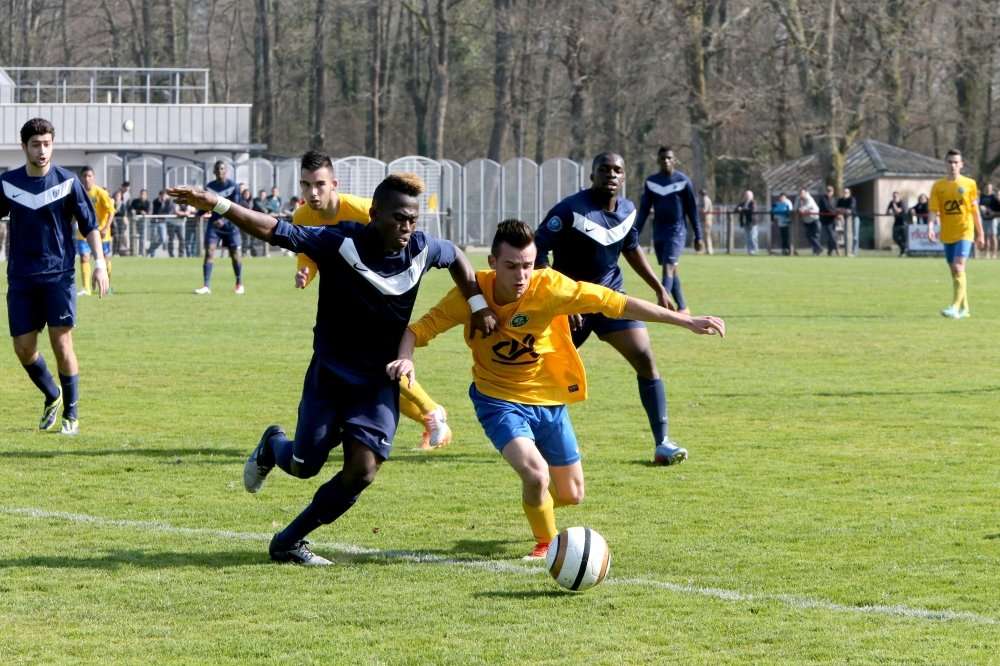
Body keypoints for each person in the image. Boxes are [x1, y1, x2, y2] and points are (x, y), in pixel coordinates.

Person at [167, 173, 497, 565]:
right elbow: (276, 230)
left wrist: (477, 304)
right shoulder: (340, 243)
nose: (406, 227)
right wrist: (218, 204)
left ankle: (288, 542)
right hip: (331, 377)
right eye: (397, 218)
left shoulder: (422, 250)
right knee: (304, 465)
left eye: (412, 219)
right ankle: (272, 445)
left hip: (376, 383)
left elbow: (457, 256)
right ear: (374, 214)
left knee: (363, 470)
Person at [391, 220, 726, 559]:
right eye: (510, 266)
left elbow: (615, 303)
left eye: (527, 266)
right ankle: (546, 546)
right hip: (498, 400)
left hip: (549, 399)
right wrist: (406, 358)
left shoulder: (550, 287)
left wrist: (686, 320)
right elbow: (418, 330)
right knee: (536, 474)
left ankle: (536, 500)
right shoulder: (470, 294)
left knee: (572, 494)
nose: (521, 276)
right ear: (493, 263)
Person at [291, 149, 455, 450]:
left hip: (386, 299)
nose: (312, 193)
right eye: (305, 185)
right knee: (378, 374)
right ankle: (431, 415)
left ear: (334, 184)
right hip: (348, 306)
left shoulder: (361, 209)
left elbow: (401, 233)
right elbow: (309, 252)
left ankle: (432, 412)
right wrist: (305, 272)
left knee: (383, 365)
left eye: (319, 184)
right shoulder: (301, 215)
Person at [535, 152, 688, 466]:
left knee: (645, 358)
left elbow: (630, 248)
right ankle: (524, 434)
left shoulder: (628, 210)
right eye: (604, 169)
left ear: (624, 176)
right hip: (571, 303)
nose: (611, 175)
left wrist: (657, 286)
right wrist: (562, 299)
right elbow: (537, 250)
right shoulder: (569, 210)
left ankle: (663, 442)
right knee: (540, 368)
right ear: (592, 175)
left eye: (617, 170)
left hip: (610, 300)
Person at [0, 117, 109, 436]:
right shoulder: (8, 184)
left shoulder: (68, 182)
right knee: (23, 348)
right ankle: (52, 394)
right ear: (24, 148)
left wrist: (99, 263)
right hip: (21, 277)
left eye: (47, 144)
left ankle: (71, 414)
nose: (42, 150)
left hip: (58, 275)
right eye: (36, 145)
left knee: (61, 343)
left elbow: (89, 225)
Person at [635, 146, 703, 313]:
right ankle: (683, 307)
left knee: (668, 267)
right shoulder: (651, 182)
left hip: (677, 230)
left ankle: (662, 303)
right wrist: (634, 233)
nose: (666, 160)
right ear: (658, 161)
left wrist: (698, 236)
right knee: (672, 268)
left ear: (674, 160)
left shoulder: (683, 181)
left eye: (669, 158)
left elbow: (692, 210)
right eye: (663, 158)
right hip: (659, 231)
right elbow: (644, 209)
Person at [928, 149, 984, 319]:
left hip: (965, 231)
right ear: (945, 164)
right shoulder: (938, 186)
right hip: (947, 233)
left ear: (961, 165)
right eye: (950, 162)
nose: (952, 165)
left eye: (955, 162)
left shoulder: (969, 184)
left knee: (959, 267)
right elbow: (933, 210)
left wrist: (980, 233)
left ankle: (954, 307)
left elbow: (975, 212)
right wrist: (930, 227)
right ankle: (965, 308)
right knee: (955, 271)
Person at [195, 160, 244, 295]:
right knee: (209, 252)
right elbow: (206, 205)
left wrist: (224, 219)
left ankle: (239, 283)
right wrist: (198, 214)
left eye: (222, 169)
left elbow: (236, 207)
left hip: (231, 225)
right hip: (214, 225)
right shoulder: (210, 187)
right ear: (214, 172)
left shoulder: (233, 186)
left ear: (226, 171)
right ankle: (206, 285)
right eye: (217, 169)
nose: (219, 171)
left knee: (234, 254)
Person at [76, 167, 115, 296]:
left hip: (102, 233)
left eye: (89, 176)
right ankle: (86, 288)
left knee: (104, 260)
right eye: (84, 176)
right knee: (84, 257)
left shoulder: (100, 193)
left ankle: (106, 286)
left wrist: (105, 228)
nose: (87, 179)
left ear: (93, 177)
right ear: (81, 178)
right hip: (83, 233)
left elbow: (111, 211)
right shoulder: (78, 192)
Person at [148, 190, 174, 257]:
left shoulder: (169, 202)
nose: (163, 197)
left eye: (164, 196)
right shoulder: (156, 201)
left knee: (163, 239)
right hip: (154, 222)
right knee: (153, 238)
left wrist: (164, 203)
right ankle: (152, 255)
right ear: (159, 195)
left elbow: (169, 211)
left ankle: (149, 250)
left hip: (162, 222)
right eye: (162, 195)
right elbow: (156, 212)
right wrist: (160, 203)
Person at [796, 188, 821, 255]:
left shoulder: (809, 198)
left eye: (802, 193)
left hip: (814, 219)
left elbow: (806, 207)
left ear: (806, 193)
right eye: (800, 193)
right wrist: (799, 209)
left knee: (814, 236)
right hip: (806, 220)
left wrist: (802, 209)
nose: (801, 194)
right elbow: (796, 208)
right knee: (809, 236)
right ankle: (817, 250)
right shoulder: (799, 199)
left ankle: (818, 249)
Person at [817, 184, 839, 256]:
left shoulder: (834, 199)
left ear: (833, 192)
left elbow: (836, 208)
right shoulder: (823, 199)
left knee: (831, 236)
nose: (829, 192)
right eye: (828, 191)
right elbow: (826, 208)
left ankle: (829, 251)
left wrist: (837, 213)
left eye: (830, 191)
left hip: (833, 220)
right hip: (826, 220)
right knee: (832, 235)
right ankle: (837, 249)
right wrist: (835, 213)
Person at [978, 182, 998, 259]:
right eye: (987, 188)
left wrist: (991, 211)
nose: (988, 189)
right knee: (985, 236)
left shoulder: (993, 197)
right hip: (984, 219)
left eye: (989, 188)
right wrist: (982, 209)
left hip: (992, 219)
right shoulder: (982, 196)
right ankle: (986, 254)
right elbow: (979, 206)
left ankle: (994, 254)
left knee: (993, 236)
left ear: (991, 188)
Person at [128, 188, 151, 255]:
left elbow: (148, 211)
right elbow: (131, 209)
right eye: (141, 194)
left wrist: (145, 213)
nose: (142, 195)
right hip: (134, 222)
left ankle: (141, 252)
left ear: (146, 195)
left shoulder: (147, 202)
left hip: (142, 222)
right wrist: (139, 211)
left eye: (144, 194)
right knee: (133, 236)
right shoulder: (135, 201)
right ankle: (133, 252)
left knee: (142, 237)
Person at [838, 186, 859, 256]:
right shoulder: (840, 200)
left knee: (855, 237)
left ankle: (854, 253)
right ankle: (848, 252)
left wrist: (842, 210)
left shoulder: (852, 199)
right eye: (844, 192)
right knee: (846, 236)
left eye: (846, 192)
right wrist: (843, 211)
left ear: (849, 193)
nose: (845, 193)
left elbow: (849, 210)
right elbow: (837, 209)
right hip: (844, 220)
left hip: (854, 219)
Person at [735, 190, 756, 255]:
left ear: (751, 196)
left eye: (748, 195)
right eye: (746, 195)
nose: (747, 196)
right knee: (747, 237)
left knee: (752, 237)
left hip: (752, 222)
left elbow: (752, 210)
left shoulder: (753, 203)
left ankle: (753, 250)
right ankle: (749, 250)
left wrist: (743, 209)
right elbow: (735, 210)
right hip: (745, 222)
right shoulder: (742, 203)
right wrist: (738, 209)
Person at [113, 182, 131, 256]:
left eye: (119, 196)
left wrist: (125, 217)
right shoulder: (112, 203)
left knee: (121, 236)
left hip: (121, 222)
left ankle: (120, 251)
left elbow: (125, 211)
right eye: (117, 196)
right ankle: (114, 251)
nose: (118, 197)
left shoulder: (123, 203)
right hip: (114, 221)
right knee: (116, 236)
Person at [888, 192, 908, 256]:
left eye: (895, 196)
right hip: (896, 222)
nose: (894, 198)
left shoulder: (902, 202)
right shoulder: (891, 202)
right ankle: (904, 249)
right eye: (893, 196)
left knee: (904, 239)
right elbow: (888, 212)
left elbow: (898, 211)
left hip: (903, 223)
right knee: (895, 237)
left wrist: (894, 205)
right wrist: (889, 211)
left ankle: (903, 251)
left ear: (899, 196)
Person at [698, 188, 714, 255]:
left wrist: (698, 210)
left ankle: (707, 250)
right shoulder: (707, 199)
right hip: (707, 219)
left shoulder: (705, 199)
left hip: (706, 219)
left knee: (706, 235)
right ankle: (708, 250)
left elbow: (704, 210)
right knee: (707, 235)